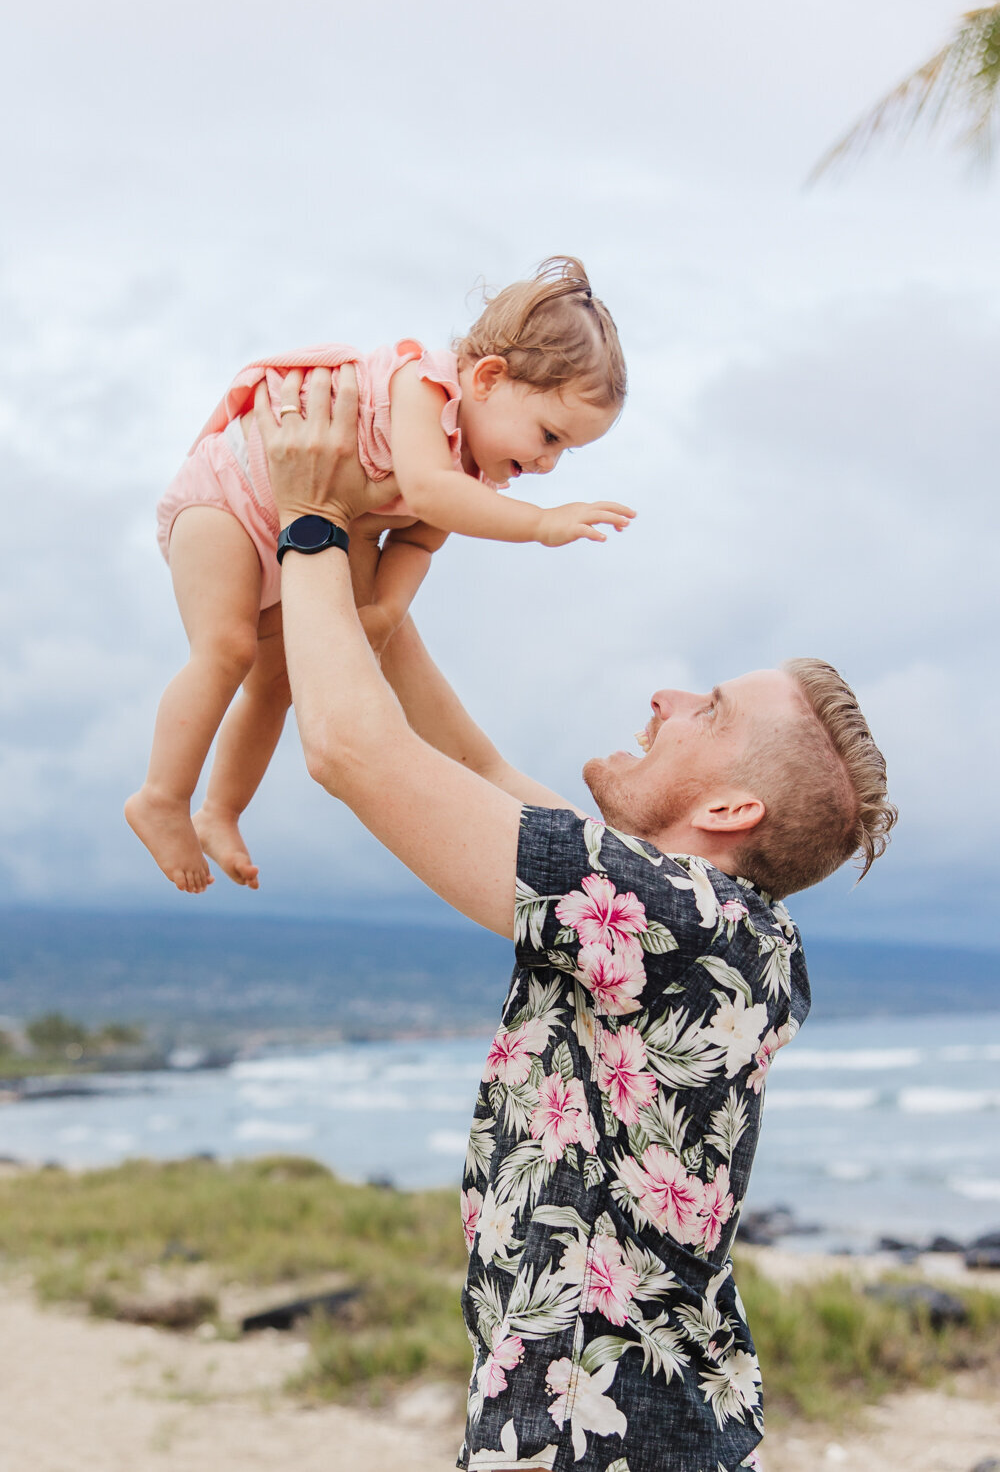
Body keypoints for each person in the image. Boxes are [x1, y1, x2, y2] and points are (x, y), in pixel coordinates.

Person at [255, 369, 896, 1472]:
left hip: (599, 1441)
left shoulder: (677, 915)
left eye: (708, 710)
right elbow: (471, 768)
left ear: (731, 809)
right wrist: (378, 551)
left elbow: (352, 754)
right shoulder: (703, 924)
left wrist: (309, 523)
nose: (663, 699)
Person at [125, 257, 633, 894]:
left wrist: (387, 610)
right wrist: (538, 522)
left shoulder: (470, 471)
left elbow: (418, 541)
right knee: (224, 649)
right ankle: (160, 796)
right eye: (549, 435)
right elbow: (426, 491)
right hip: (225, 501)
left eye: (565, 451)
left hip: (286, 535)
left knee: (275, 682)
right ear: (489, 377)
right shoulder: (422, 386)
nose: (549, 462)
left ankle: (219, 811)